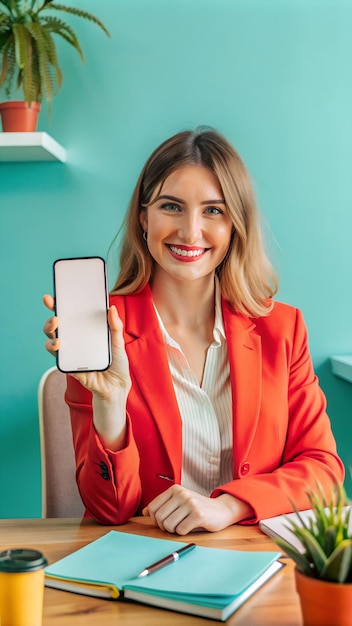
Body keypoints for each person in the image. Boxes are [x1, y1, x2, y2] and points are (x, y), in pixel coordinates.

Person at [43, 127, 344, 535]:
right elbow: (108, 509)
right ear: (143, 217)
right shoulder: (100, 331)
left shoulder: (281, 329)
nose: (190, 231)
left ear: (236, 224)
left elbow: (323, 469)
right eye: (172, 206)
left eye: (213, 211)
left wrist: (230, 505)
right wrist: (111, 404)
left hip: (253, 557)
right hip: (142, 560)